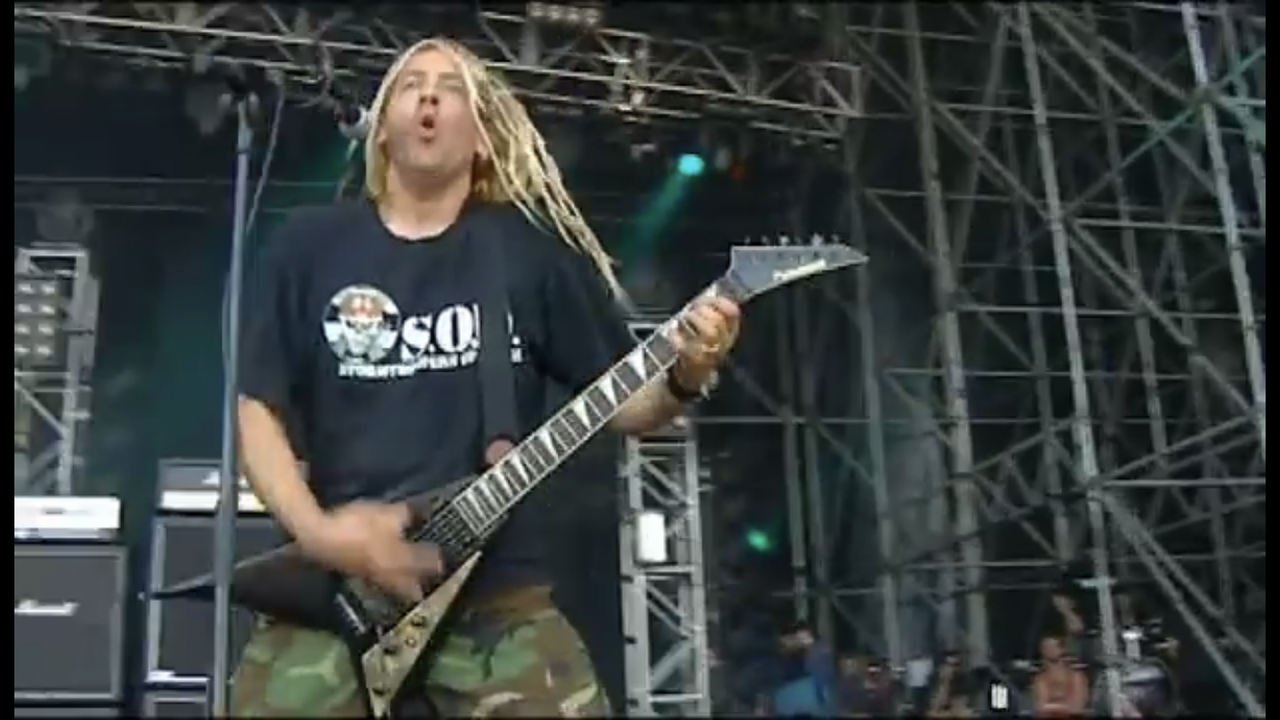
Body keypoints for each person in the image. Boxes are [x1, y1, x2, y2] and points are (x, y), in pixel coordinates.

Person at [228, 37, 742, 717]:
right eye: (410, 84)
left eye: (452, 89)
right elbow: (257, 410)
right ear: (380, 129)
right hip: (338, 590)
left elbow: (627, 405)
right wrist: (322, 535)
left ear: (480, 138)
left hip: (496, 598)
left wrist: (689, 371)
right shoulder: (308, 245)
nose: (429, 96)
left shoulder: (529, 256)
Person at [1031, 635, 1088, 718]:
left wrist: (1050, 706)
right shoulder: (1040, 679)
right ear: (1042, 651)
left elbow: (1076, 708)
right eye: (1046, 647)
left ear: (1062, 649)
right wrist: (1064, 705)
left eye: (1054, 646)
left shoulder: (1076, 677)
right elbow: (1040, 708)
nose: (1050, 649)